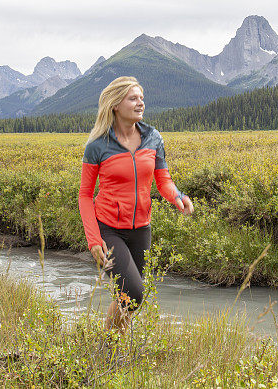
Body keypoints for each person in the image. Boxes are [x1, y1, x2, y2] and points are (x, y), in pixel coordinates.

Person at [78, 76, 194, 330]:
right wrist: (94, 239)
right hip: (108, 228)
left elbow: (163, 180)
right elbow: (85, 195)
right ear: (116, 105)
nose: (140, 103)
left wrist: (179, 197)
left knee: (127, 297)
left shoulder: (153, 137)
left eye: (142, 98)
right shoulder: (98, 145)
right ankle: (110, 347)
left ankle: (111, 348)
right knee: (133, 293)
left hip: (141, 229)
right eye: (133, 98)